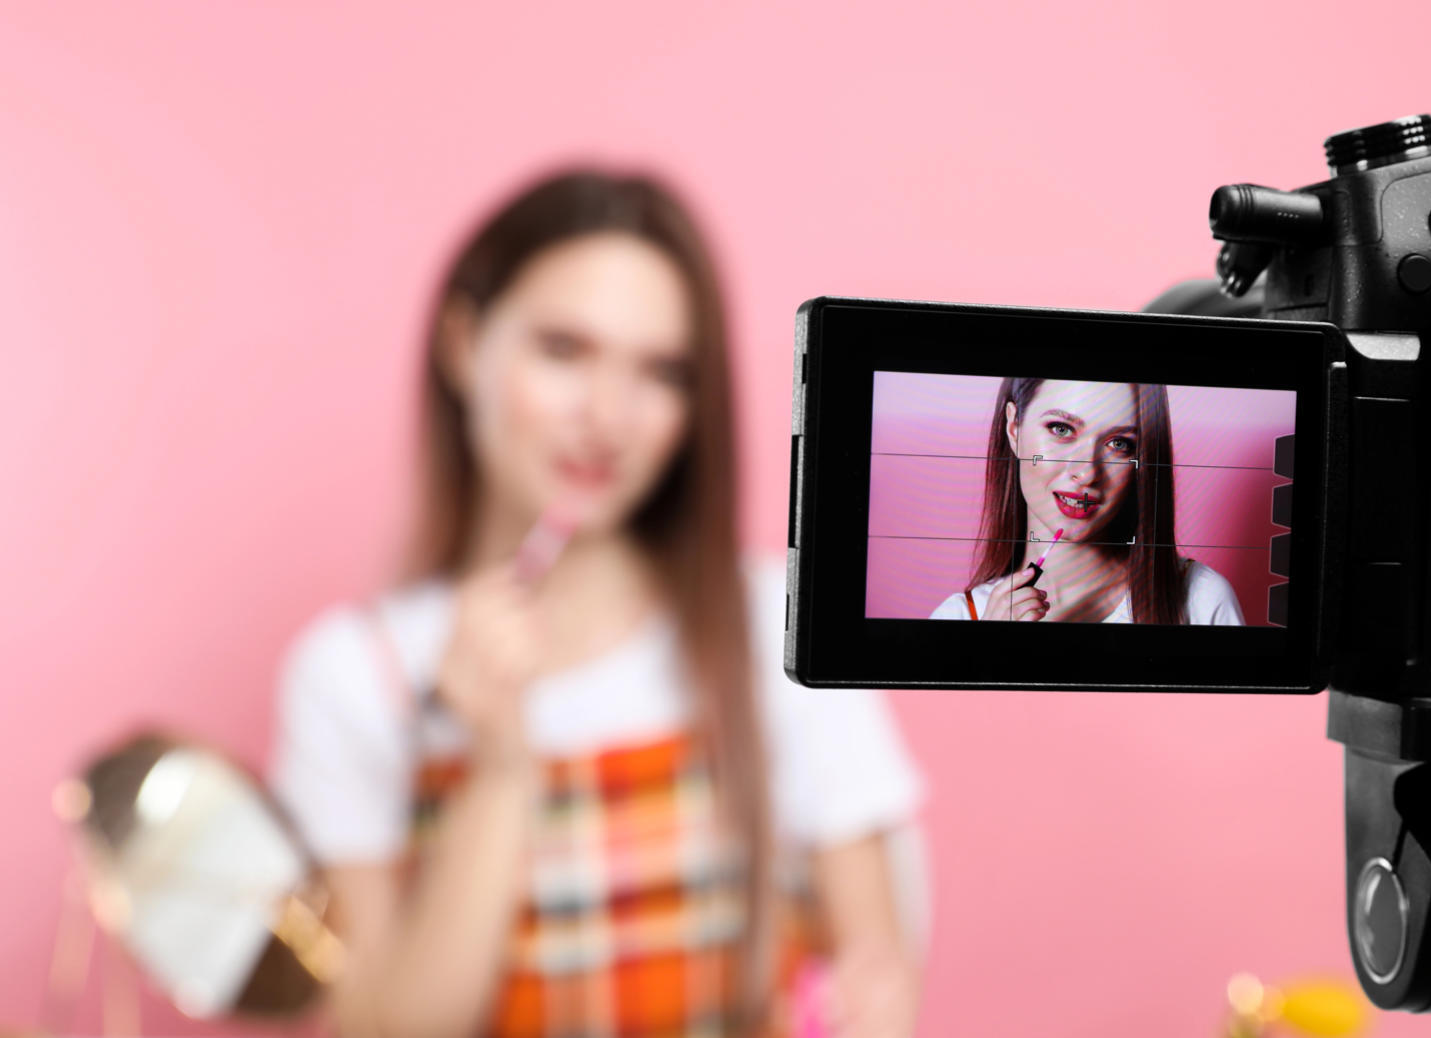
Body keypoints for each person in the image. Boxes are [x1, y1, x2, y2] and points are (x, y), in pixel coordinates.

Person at [269, 171, 926, 1038]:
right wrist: (499, 765)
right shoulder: (357, 676)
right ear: (465, 345)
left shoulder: (778, 626)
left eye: (661, 372)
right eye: (564, 351)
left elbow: (874, 977)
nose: (608, 416)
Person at [930, 377, 1244, 625]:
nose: (1087, 472)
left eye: (1119, 444)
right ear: (1014, 428)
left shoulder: (1201, 599)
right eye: (1061, 429)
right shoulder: (961, 617)